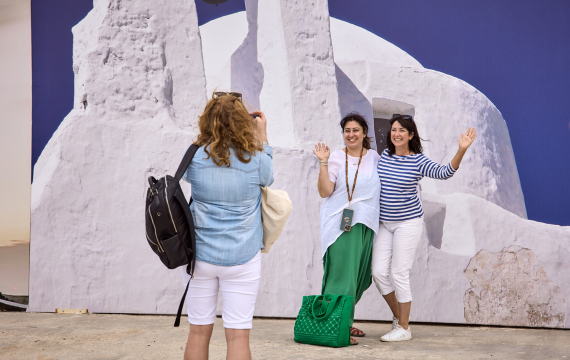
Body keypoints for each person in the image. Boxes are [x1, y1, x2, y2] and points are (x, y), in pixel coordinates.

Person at [180, 92, 273, 360]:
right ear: (244, 122)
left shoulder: (195, 156)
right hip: (243, 257)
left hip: (201, 257)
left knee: (198, 332)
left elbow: (185, 177)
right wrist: (261, 136)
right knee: (238, 335)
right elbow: (269, 177)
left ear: (207, 121)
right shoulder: (255, 159)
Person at [372, 114, 476, 342]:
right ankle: (399, 317)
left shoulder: (418, 160)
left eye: (402, 130)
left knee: (399, 272)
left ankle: (404, 329)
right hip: (383, 223)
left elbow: (444, 172)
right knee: (379, 273)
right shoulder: (385, 156)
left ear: (411, 135)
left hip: (407, 223)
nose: (396, 133)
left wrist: (461, 150)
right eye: (394, 130)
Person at [313, 112, 381, 346]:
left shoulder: (373, 157)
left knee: (357, 277)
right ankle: (334, 327)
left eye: (355, 130)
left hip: (366, 225)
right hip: (342, 226)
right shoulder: (334, 158)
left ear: (364, 133)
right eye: (347, 131)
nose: (351, 134)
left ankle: (343, 321)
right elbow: (325, 191)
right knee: (341, 277)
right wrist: (323, 162)